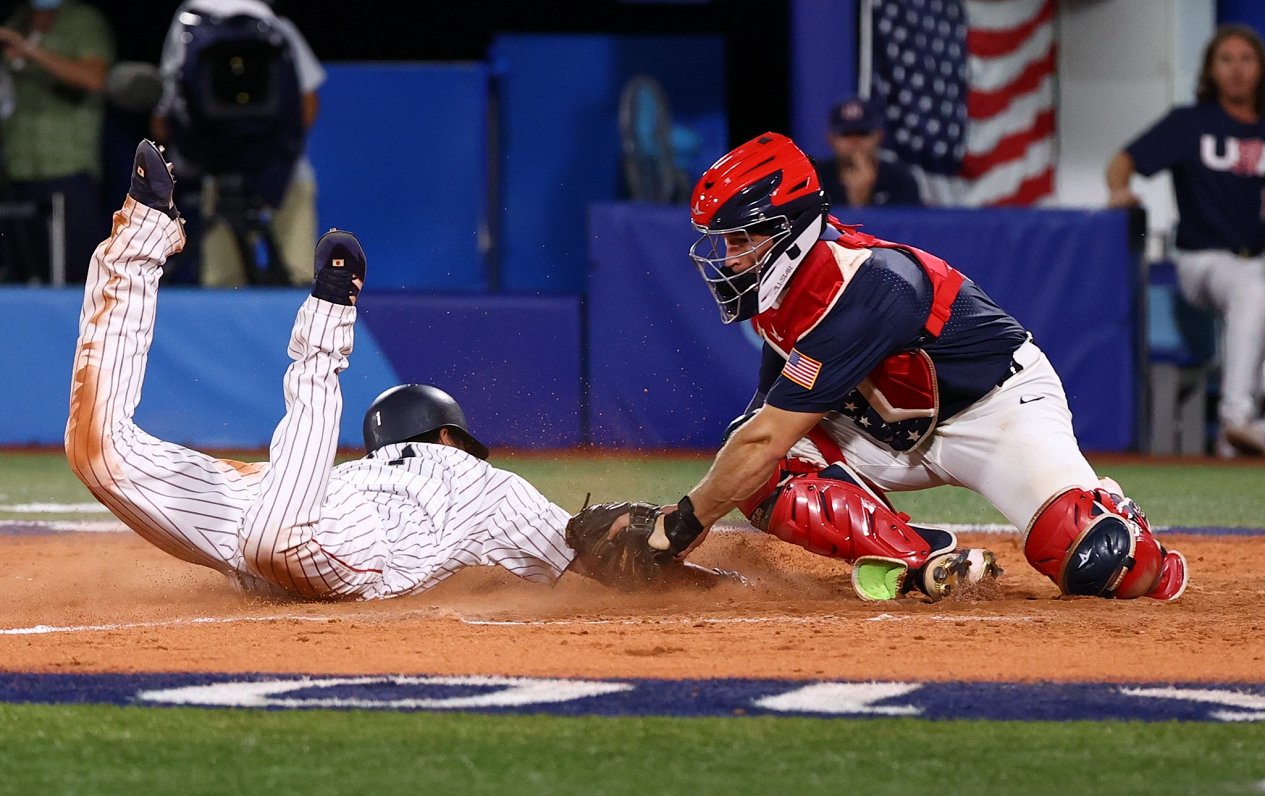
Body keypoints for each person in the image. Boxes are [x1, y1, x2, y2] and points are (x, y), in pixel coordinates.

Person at [64, 140, 735, 602]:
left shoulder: (394, 472)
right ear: (450, 433)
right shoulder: (480, 481)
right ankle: (325, 316)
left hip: (296, 515)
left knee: (98, 452)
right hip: (305, 524)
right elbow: (592, 555)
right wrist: (717, 586)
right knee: (236, 515)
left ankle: (141, 236)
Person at [632, 131, 1188, 604]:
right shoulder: (783, 296)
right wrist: (695, 506)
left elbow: (765, 438)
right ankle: (923, 561)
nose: (728, 259)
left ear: (788, 232)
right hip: (889, 425)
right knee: (759, 472)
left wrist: (677, 527)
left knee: (1098, 560)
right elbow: (758, 434)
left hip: (992, 411)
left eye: (739, 240)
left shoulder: (867, 284)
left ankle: (1105, 508)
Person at [1106, 24, 1265, 459]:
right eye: (1226, 59)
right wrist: (1118, 190)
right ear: (1211, 69)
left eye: (1246, 59)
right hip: (1203, 261)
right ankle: (1235, 418)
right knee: (1252, 289)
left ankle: (1236, 445)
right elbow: (1123, 162)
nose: (1236, 70)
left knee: (1256, 292)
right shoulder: (1191, 123)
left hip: (1258, 260)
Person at [151, 0, 324, 287]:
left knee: (251, 284)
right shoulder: (273, 28)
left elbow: (164, 118)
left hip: (266, 178)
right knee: (267, 281)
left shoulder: (190, 30)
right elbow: (307, 104)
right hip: (245, 177)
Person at [0, 0, 114, 284]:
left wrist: (28, 50)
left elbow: (94, 79)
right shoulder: (17, 21)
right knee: (21, 279)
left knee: (80, 278)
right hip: (17, 171)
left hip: (68, 172)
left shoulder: (83, 21)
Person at [813, 96, 922, 209]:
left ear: (879, 136)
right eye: (846, 134)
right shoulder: (815, 180)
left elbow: (905, 225)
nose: (855, 142)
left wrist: (862, 199)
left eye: (863, 133)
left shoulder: (900, 180)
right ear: (831, 139)